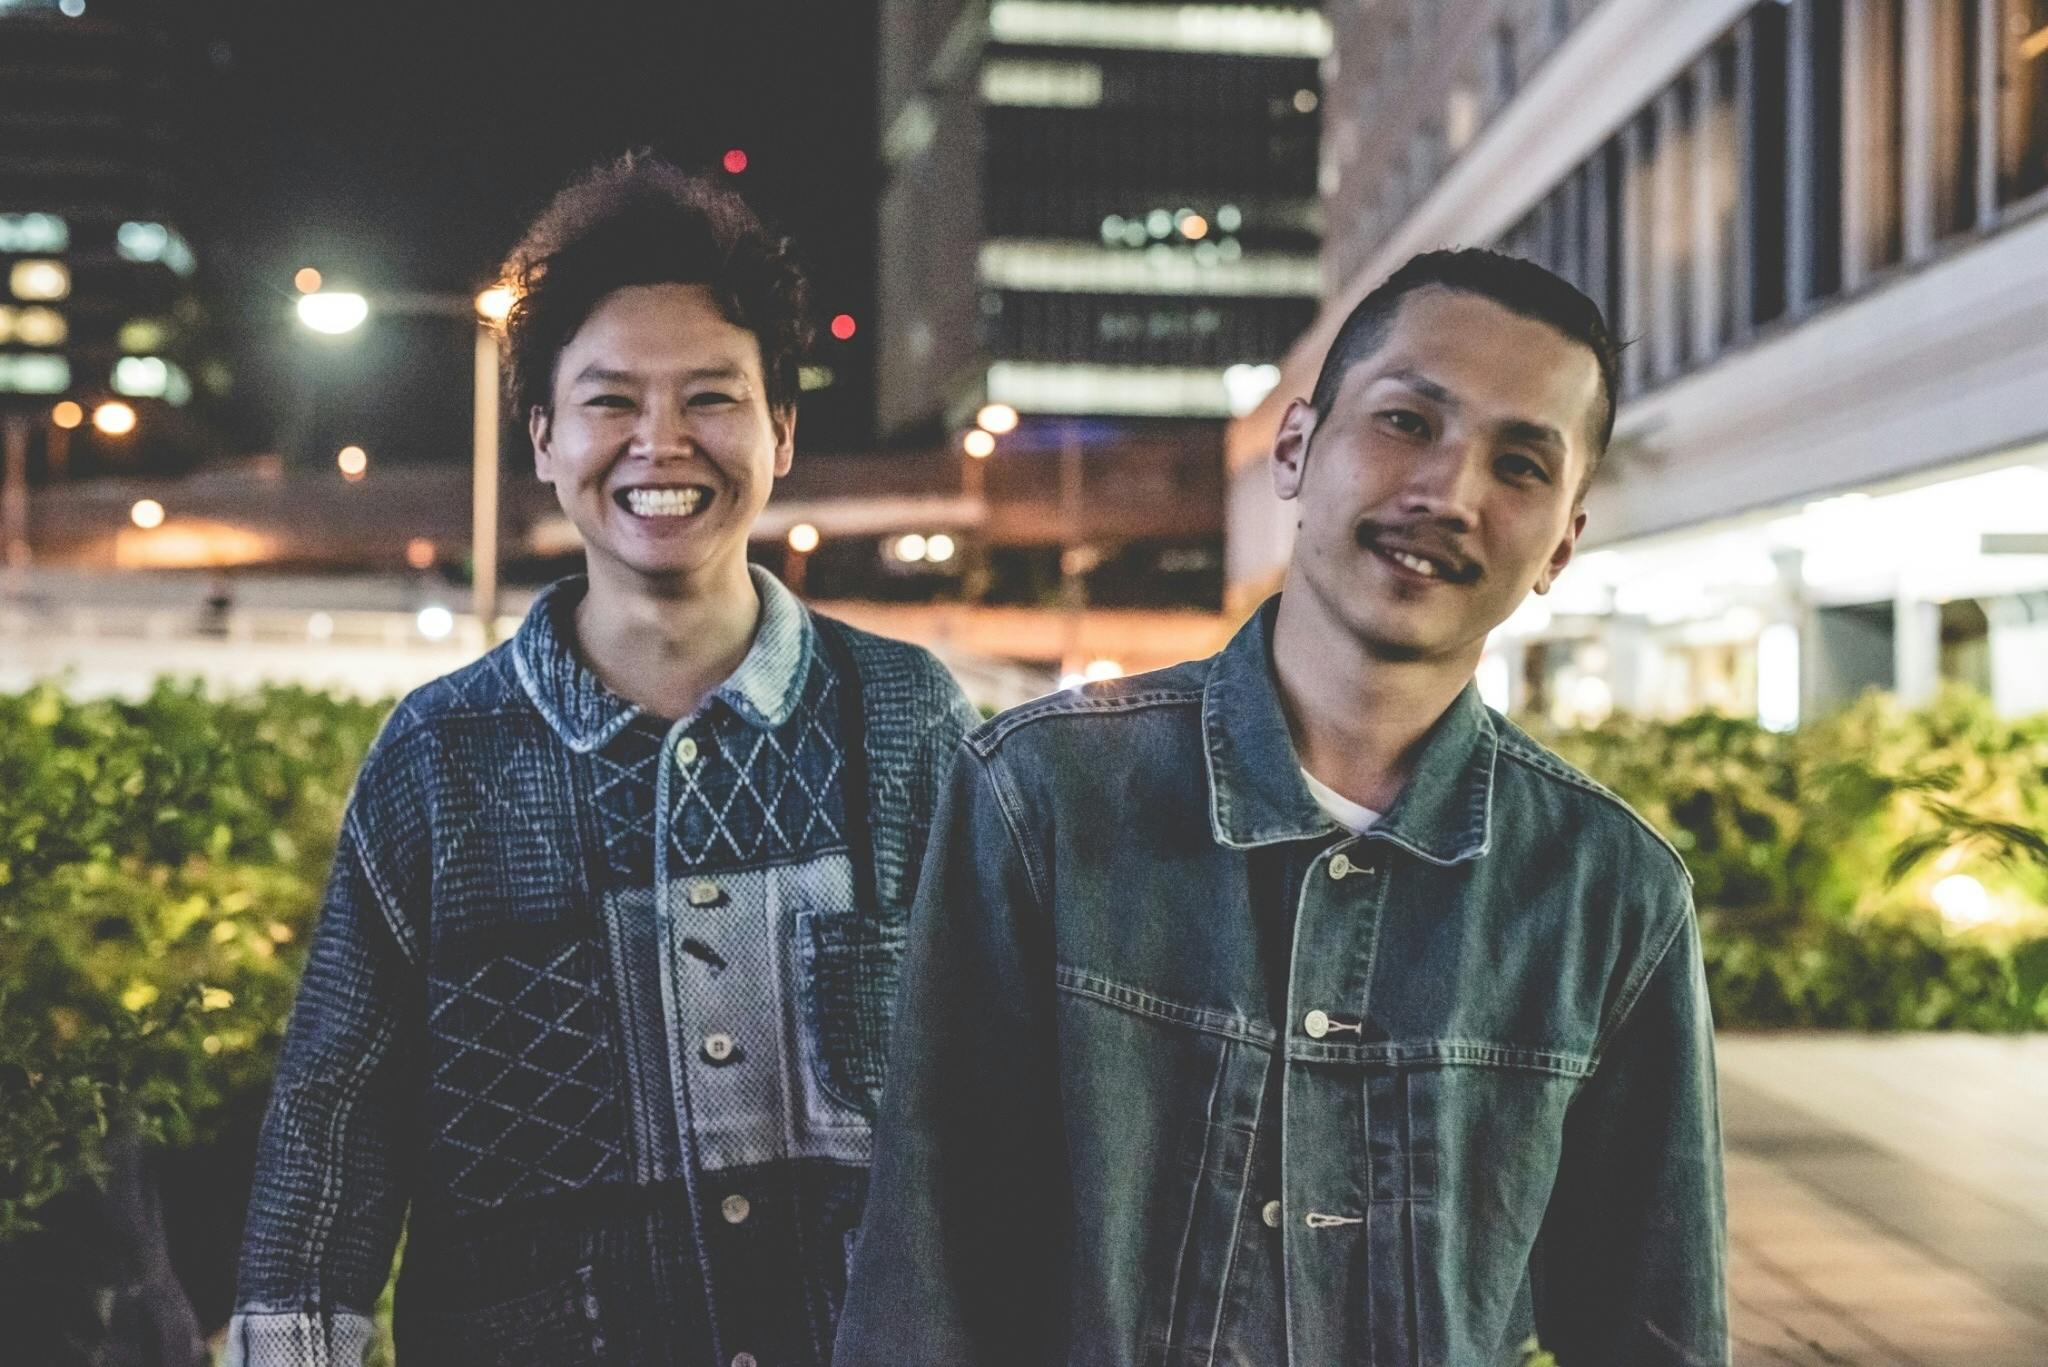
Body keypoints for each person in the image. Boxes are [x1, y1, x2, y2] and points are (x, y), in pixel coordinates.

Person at [836, 249, 1727, 1366]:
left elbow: (1653, 1324)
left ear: (1560, 542)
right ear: (1296, 448)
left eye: (1518, 463)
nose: (1448, 494)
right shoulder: (1042, 795)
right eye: (1406, 422)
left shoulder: (1610, 889)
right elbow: (930, 1270)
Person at [228, 153, 977, 1367]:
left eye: (711, 398)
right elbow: (332, 1136)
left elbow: (1006, 1086)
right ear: (543, 437)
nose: (660, 443)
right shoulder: (438, 759)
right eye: (611, 401)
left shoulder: (904, 717)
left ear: (781, 432)